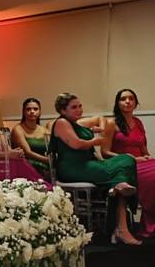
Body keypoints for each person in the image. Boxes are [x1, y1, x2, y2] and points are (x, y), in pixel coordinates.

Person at [50, 93, 140, 245]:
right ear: (63, 110)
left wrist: (93, 132)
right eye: (74, 107)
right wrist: (94, 140)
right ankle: (118, 193)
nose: (79, 109)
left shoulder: (76, 123)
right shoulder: (61, 122)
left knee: (127, 159)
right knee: (122, 170)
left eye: (80, 106)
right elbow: (76, 144)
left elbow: (92, 130)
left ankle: (118, 186)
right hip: (74, 167)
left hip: (89, 164)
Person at [102, 89, 155, 238]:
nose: (127, 101)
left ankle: (149, 222)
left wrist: (148, 157)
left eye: (131, 98)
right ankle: (149, 225)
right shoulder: (111, 124)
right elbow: (104, 152)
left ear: (136, 103)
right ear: (117, 103)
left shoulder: (138, 123)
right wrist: (131, 158)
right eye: (123, 99)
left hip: (141, 163)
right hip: (123, 166)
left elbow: (144, 149)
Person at [11, 98, 51, 180]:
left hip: (46, 164)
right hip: (26, 164)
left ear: (40, 112)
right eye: (28, 109)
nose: (32, 111)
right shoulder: (18, 129)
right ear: (23, 112)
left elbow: (52, 148)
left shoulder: (44, 130)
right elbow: (27, 153)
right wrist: (48, 160)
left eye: (35, 109)